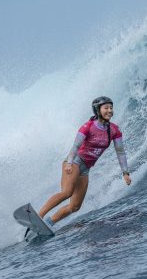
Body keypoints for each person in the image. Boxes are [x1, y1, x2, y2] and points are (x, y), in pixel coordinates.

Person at [38, 96, 132, 226]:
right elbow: (75, 147)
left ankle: (49, 223)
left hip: (85, 168)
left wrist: (125, 173)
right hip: (75, 162)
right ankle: (39, 216)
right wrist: (69, 162)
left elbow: (120, 152)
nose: (110, 110)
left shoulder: (114, 130)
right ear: (97, 110)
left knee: (75, 206)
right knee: (67, 192)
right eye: (106, 108)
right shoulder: (88, 126)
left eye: (111, 107)